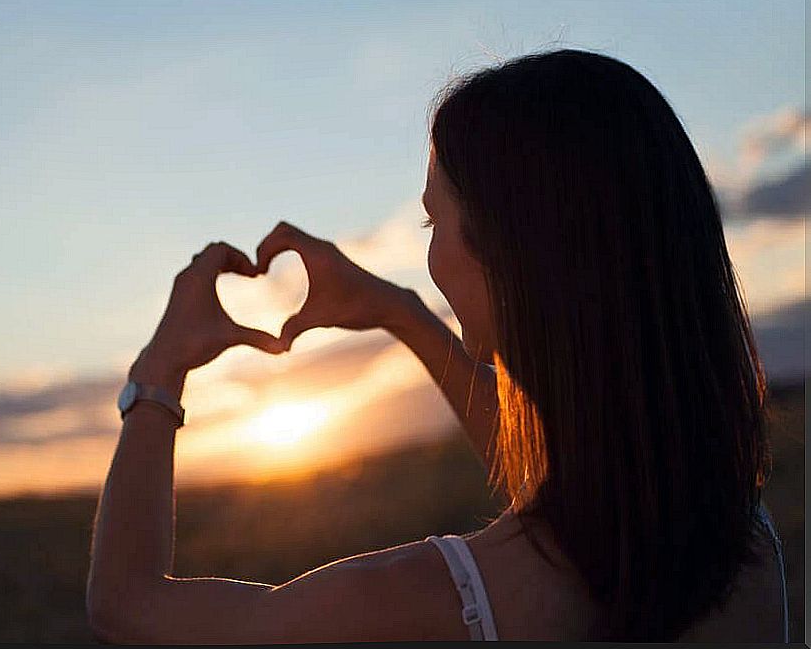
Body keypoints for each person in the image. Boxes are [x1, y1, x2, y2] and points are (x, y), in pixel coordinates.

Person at [86, 48, 788, 642]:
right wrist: (400, 312)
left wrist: (159, 371)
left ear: (512, 258)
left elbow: (129, 602)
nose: (430, 252)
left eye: (432, 223)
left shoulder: (437, 602)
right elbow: (565, 476)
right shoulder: (743, 541)